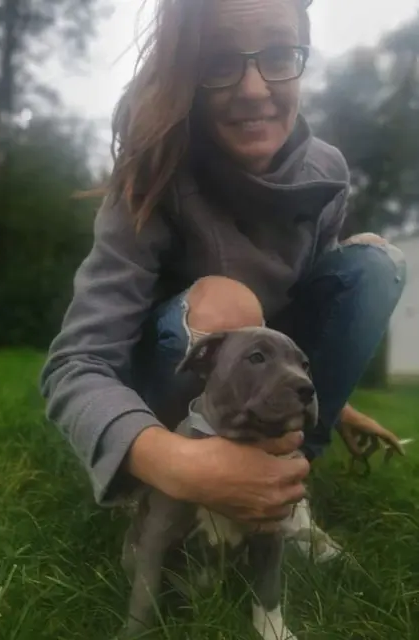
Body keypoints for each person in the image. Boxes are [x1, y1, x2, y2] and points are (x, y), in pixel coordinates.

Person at [40, 0, 406, 560]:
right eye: (218, 62)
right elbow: (75, 365)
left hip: (258, 378)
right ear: (187, 73)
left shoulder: (327, 170)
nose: (255, 90)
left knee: (375, 264)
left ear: (302, 56)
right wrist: (171, 460)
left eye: (279, 55)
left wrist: (330, 400)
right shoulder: (154, 170)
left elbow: (310, 318)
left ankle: (282, 488)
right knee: (227, 305)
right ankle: (169, 495)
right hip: (169, 387)